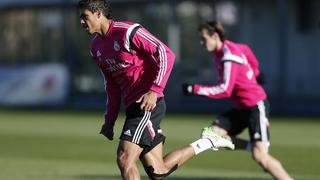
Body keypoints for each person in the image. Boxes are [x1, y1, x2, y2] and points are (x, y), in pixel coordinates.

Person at [77, 1, 234, 180]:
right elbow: (111, 86)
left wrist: (154, 90)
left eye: (85, 16)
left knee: (125, 158)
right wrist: (109, 120)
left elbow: (166, 53)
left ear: (98, 14)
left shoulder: (128, 31)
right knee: (158, 171)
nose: (82, 22)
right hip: (133, 107)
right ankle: (207, 142)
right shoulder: (95, 47)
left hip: (147, 104)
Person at [182, 20, 293, 180]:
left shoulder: (228, 56)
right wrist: (255, 72)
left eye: (203, 38)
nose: (201, 42)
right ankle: (251, 146)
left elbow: (224, 89)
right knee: (211, 135)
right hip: (240, 107)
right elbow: (247, 51)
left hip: (255, 106)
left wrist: (195, 89)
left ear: (215, 36)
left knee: (260, 157)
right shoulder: (224, 51)